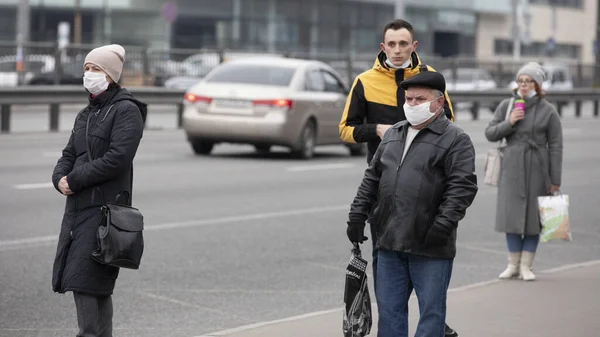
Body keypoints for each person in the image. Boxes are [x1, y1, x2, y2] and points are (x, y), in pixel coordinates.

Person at [338, 19, 459, 337]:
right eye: (391, 44)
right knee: (390, 276)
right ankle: (416, 324)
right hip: (385, 191)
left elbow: (450, 123)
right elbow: (346, 128)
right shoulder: (365, 81)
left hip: (427, 192)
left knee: (427, 268)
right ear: (382, 47)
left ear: (413, 46)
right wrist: (376, 130)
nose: (397, 49)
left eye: (403, 43)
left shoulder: (429, 78)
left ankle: (433, 323)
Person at [346, 71, 478, 337]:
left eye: (420, 99)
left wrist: (441, 227)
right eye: (409, 98)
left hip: (430, 245)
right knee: (390, 312)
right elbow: (372, 178)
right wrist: (357, 214)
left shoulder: (456, 139)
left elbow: (462, 188)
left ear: (439, 103)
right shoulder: (394, 133)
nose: (412, 104)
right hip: (390, 242)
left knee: (431, 315)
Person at [51, 44, 147, 337]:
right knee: (94, 286)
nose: (90, 75)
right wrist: (59, 177)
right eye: (87, 69)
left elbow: (117, 159)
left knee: (85, 282)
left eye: (97, 70)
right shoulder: (86, 113)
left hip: (105, 211)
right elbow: (69, 153)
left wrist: (76, 179)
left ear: (111, 76)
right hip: (78, 210)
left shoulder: (126, 111)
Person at [485, 62, 563, 281]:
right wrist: (509, 123)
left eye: (529, 81)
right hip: (511, 167)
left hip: (538, 168)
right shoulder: (507, 105)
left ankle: (526, 266)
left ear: (537, 85)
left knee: (532, 220)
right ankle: (512, 265)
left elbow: (556, 145)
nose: (524, 85)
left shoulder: (548, 111)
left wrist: (555, 179)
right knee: (511, 217)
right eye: (521, 80)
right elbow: (490, 133)